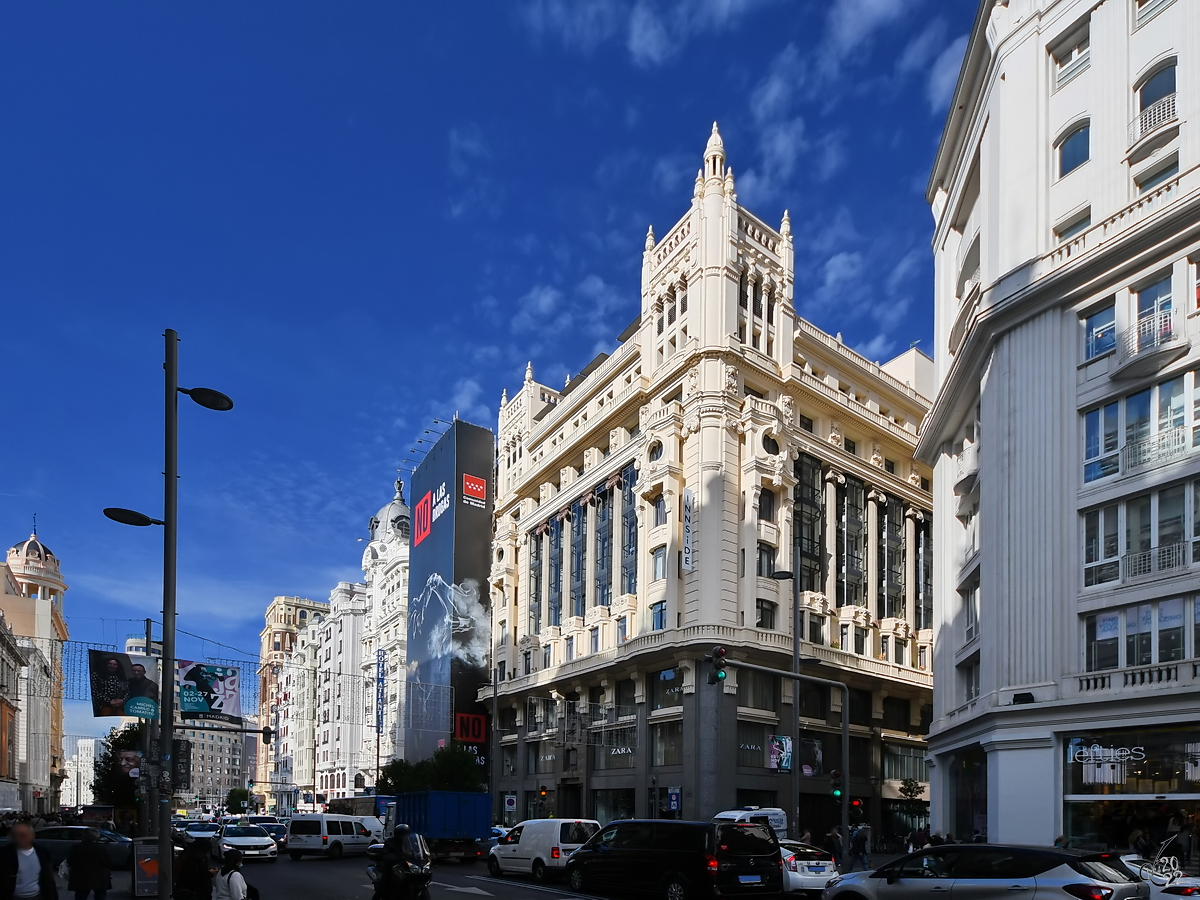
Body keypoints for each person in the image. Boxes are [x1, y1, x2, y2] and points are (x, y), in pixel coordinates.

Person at [0, 822, 58, 900]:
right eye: (14, 835)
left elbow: (48, 879)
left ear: (32, 836)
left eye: (22, 835)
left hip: (37, 896)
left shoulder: (42, 853)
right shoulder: (5, 854)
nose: (18, 839)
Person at [66, 831, 110, 900]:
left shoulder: (76, 847)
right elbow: (108, 862)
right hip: (99, 876)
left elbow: (70, 861)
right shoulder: (101, 848)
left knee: (81, 895)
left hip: (81, 876)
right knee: (100, 895)